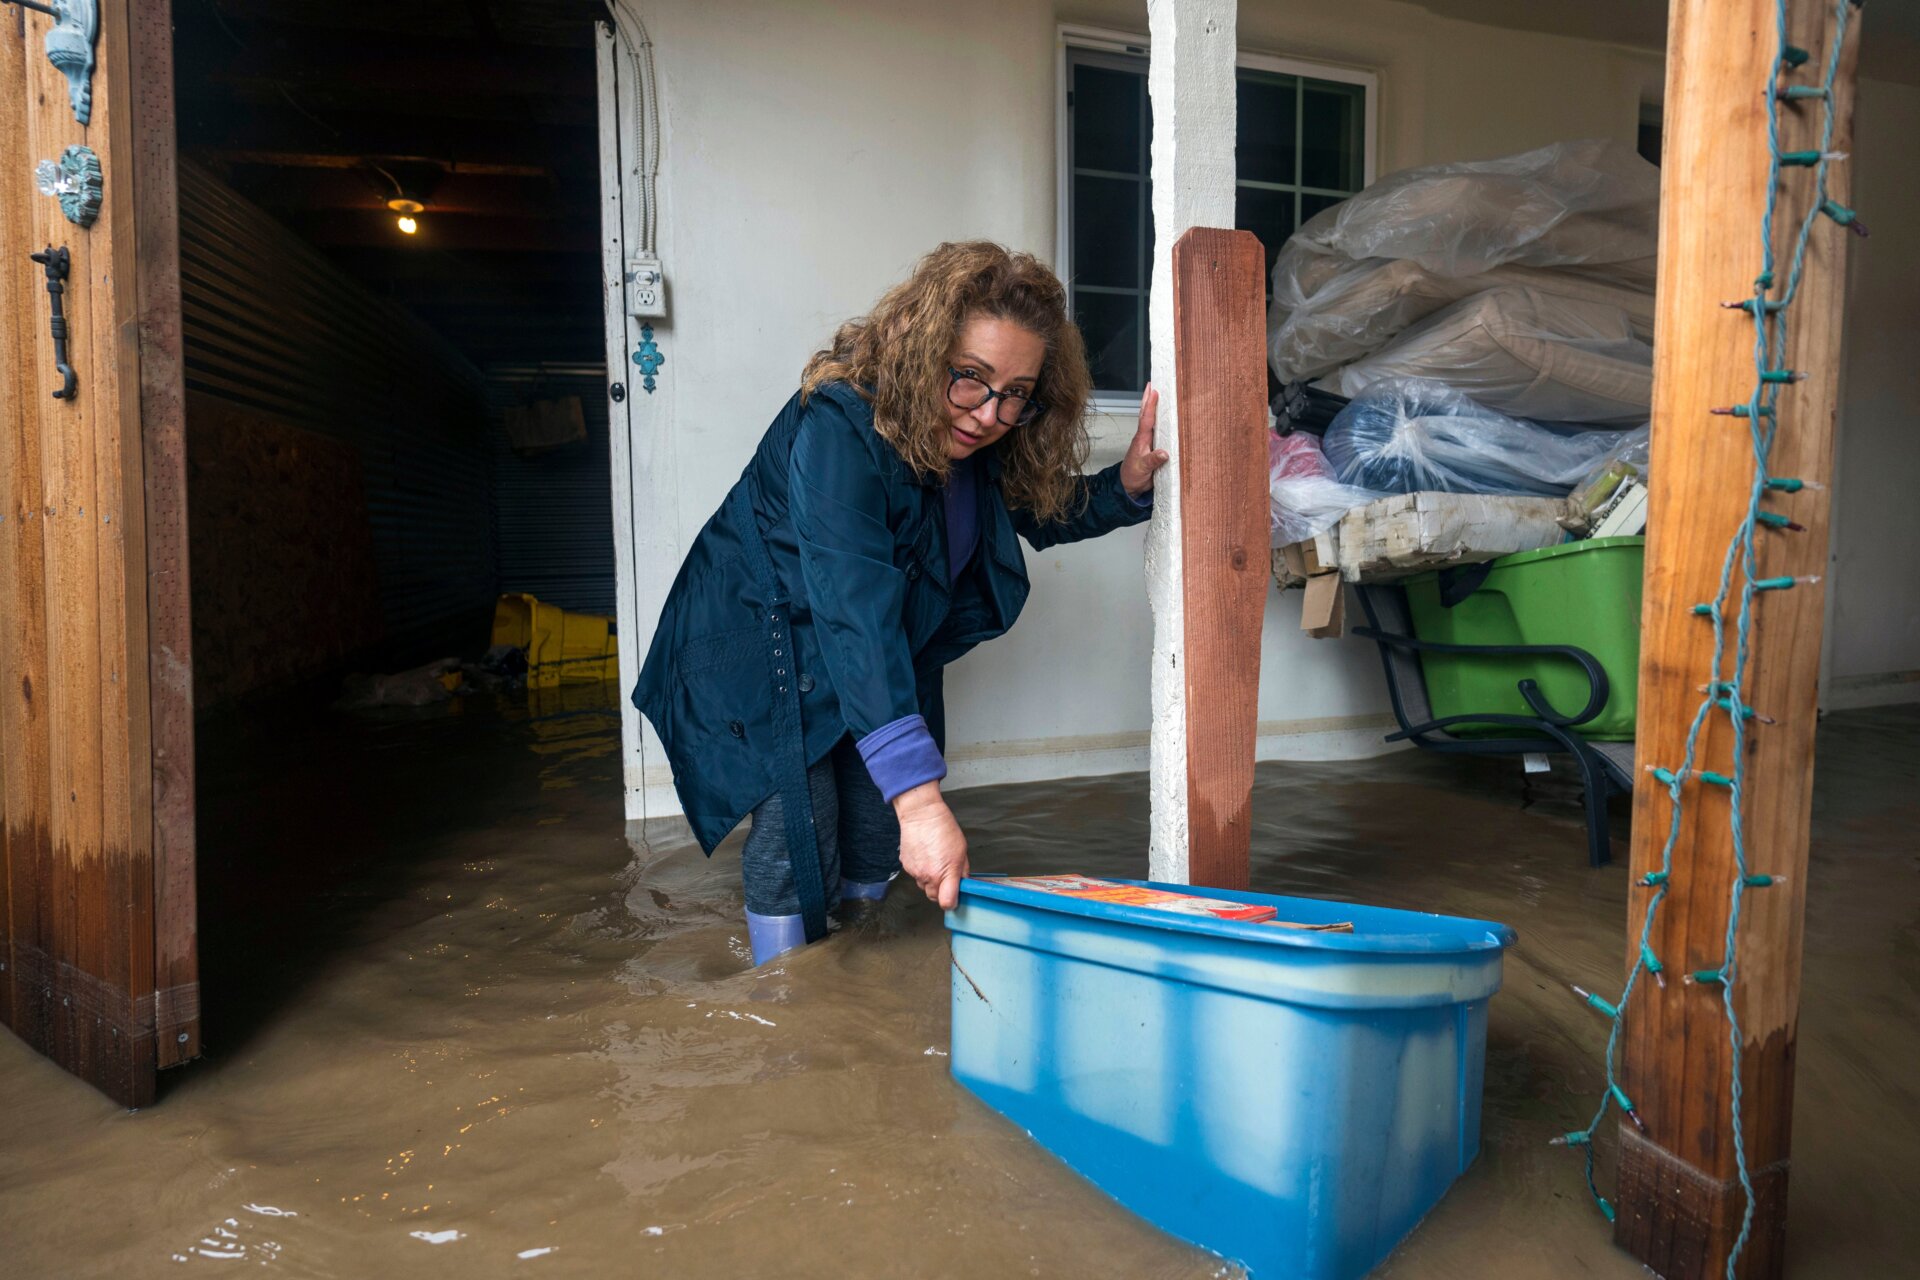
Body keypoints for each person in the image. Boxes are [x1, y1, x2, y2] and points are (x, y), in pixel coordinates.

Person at [632, 241, 1167, 964]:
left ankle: (858, 973)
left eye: (1017, 394)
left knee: (877, 833)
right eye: (970, 379)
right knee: (803, 830)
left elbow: (1041, 510)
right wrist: (922, 804)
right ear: (925, 350)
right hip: (764, 643)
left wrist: (1129, 483)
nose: (989, 413)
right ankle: (789, 999)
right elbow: (854, 608)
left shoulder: (977, 442)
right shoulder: (837, 426)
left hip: (866, 650)